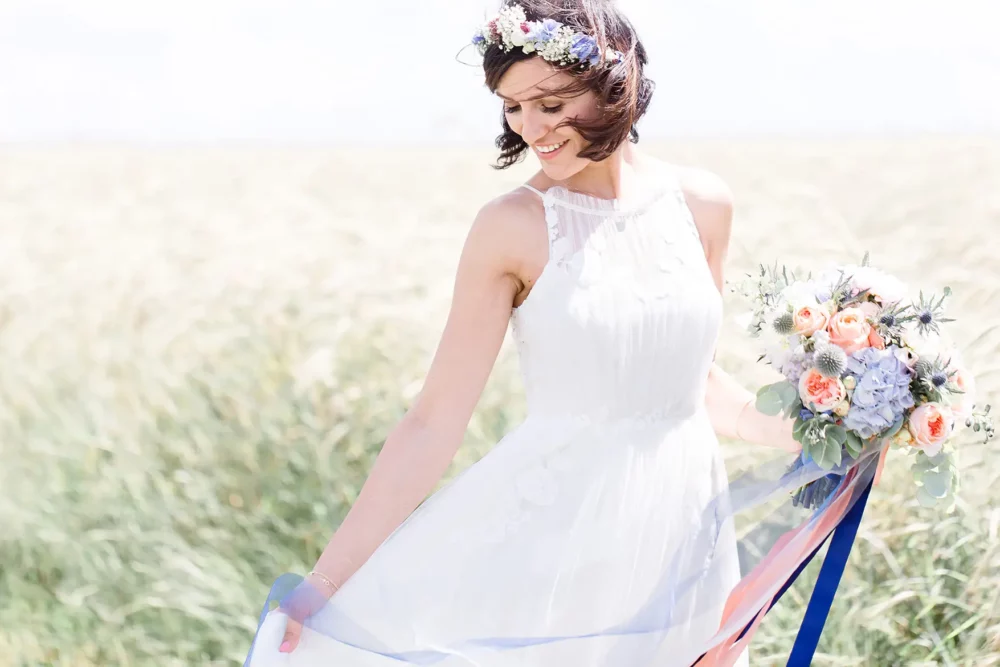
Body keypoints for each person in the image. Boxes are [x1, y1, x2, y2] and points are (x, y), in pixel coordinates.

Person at [247, 1, 801, 664]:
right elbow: (432, 422)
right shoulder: (511, 227)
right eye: (513, 106)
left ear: (612, 84)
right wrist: (324, 586)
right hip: (561, 546)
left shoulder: (704, 204)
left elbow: (699, 385)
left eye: (550, 103)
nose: (530, 128)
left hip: (683, 541)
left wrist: (830, 424)